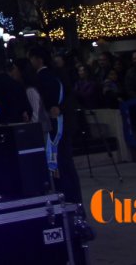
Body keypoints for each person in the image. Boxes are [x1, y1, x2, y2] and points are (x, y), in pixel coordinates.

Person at [30, 46, 80, 205]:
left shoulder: (41, 78)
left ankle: (66, 200)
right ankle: (74, 201)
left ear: (38, 59)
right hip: (63, 123)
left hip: (53, 126)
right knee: (66, 164)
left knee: (58, 164)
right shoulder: (57, 76)